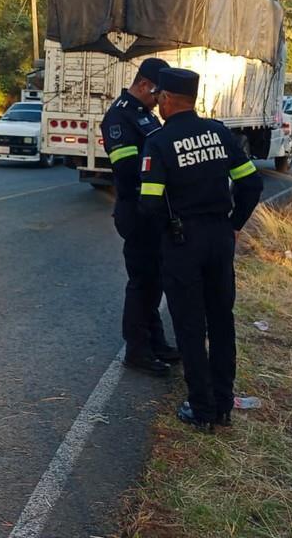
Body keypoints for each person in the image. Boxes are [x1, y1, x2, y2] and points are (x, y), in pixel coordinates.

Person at [139, 67, 264, 431]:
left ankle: (202, 408)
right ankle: (223, 404)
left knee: (190, 326)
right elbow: (251, 184)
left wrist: (167, 232)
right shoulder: (219, 133)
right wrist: (235, 223)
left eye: (159, 98)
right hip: (220, 237)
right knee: (221, 320)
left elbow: (149, 204)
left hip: (183, 243)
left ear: (164, 99)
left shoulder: (159, 142)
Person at [101, 57, 182, 376]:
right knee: (142, 282)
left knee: (154, 280)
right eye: (159, 93)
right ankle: (136, 350)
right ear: (146, 85)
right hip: (136, 210)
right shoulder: (119, 117)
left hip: (153, 209)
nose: (161, 100)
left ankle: (156, 342)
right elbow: (127, 169)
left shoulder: (144, 115)